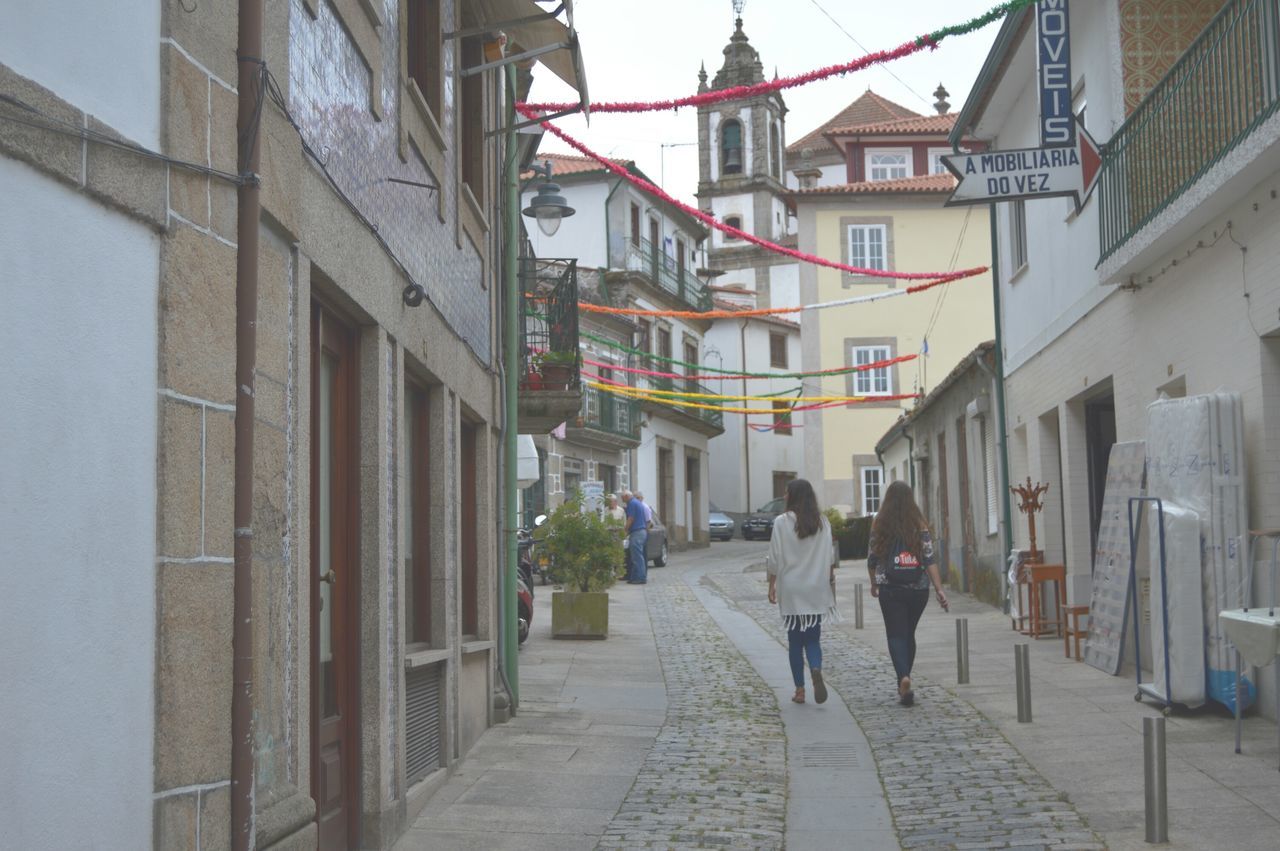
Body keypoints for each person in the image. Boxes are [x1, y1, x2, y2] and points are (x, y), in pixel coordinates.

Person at [866, 480, 948, 706]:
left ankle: (903, 677)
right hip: (918, 589)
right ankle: (906, 680)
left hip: (890, 588)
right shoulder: (920, 524)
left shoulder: (879, 524)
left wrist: (874, 583)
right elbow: (929, 559)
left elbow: (872, 559)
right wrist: (940, 589)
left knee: (895, 634)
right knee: (908, 634)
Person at [767, 479, 839, 705]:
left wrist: (771, 583)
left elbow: (774, 557)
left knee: (795, 642)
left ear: (794, 496)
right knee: (813, 639)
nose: (785, 496)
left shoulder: (781, 522)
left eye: (787, 493)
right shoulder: (823, 523)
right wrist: (829, 581)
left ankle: (800, 689)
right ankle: (816, 668)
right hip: (815, 588)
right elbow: (829, 557)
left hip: (791, 588)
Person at [621, 490, 648, 584]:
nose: (622, 500)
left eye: (622, 497)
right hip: (640, 532)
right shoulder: (637, 502)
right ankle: (634, 577)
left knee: (637, 556)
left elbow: (630, 519)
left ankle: (640, 577)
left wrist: (625, 530)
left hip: (637, 532)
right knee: (636, 556)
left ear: (627, 496)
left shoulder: (632, 503)